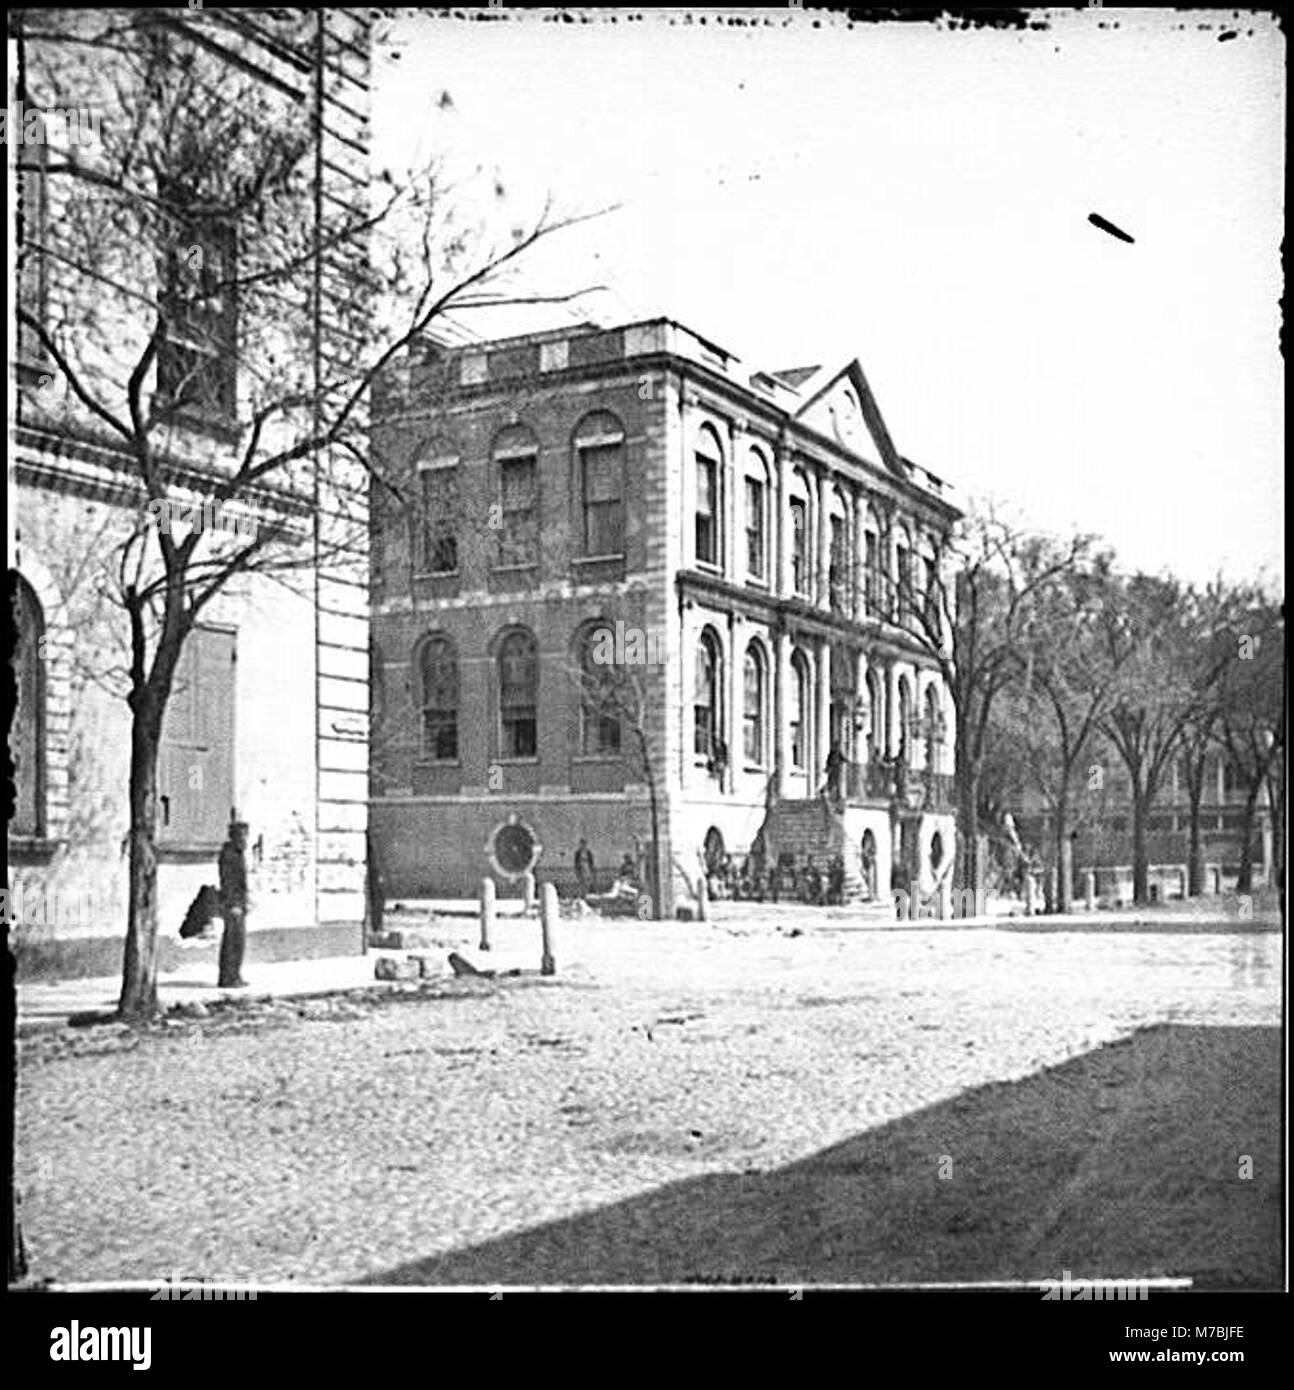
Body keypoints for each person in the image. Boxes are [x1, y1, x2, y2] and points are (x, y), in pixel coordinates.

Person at [217, 819, 250, 988]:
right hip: (233, 904)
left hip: (238, 903)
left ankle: (234, 975)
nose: (245, 839)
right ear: (234, 836)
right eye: (241, 835)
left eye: (245, 835)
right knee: (233, 942)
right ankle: (228, 977)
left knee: (238, 941)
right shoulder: (229, 854)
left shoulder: (237, 853)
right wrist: (234, 904)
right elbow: (229, 882)